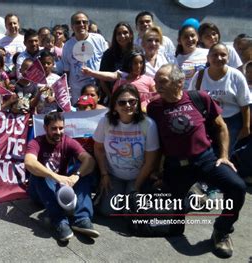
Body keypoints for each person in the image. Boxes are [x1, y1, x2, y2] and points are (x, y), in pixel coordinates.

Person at [147, 63, 246, 258]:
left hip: (205, 160)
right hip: (175, 167)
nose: (157, 85)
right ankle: (194, 197)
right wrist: (157, 170)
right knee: (176, 228)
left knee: (237, 187)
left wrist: (224, 156)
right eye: (156, 81)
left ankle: (222, 230)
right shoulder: (154, 107)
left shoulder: (199, 98)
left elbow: (221, 127)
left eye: (163, 81)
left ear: (180, 82)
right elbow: (156, 141)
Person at [25, 112, 98, 241]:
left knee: (82, 171)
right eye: (53, 128)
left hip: (59, 189)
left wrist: (77, 176)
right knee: (38, 173)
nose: (58, 132)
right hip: (38, 191)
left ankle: (81, 219)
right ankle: (59, 221)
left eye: (61, 128)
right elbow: (29, 162)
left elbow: (89, 160)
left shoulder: (68, 141)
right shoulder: (36, 142)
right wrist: (55, 176)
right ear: (45, 128)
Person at [93, 84, 160, 216]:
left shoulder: (148, 124)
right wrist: (104, 174)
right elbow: (98, 148)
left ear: (138, 103)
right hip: (114, 175)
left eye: (132, 101)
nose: (128, 105)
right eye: (122, 102)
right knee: (108, 212)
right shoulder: (105, 122)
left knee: (129, 213)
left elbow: (150, 161)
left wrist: (136, 187)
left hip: (138, 176)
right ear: (115, 106)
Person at [189, 43, 251, 153]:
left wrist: (246, 127)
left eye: (223, 55)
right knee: (209, 153)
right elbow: (191, 98)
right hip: (207, 121)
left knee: (227, 153)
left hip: (232, 121)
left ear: (228, 57)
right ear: (208, 57)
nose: (219, 58)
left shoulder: (236, 76)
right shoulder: (199, 76)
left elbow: (244, 104)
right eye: (215, 55)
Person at [63, 11, 108, 104]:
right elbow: (66, 71)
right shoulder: (67, 46)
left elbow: (107, 62)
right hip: (77, 92)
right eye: (78, 22)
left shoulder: (99, 39)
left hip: (97, 89)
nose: (81, 25)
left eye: (84, 22)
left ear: (88, 24)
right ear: (72, 26)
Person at [99, 22, 135, 101]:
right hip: (115, 96)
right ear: (115, 37)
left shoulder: (137, 52)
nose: (122, 36)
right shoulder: (108, 54)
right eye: (119, 34)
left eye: (125, 33)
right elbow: (102, 79)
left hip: (135, 95)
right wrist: (111, 96)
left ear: (131, 34)